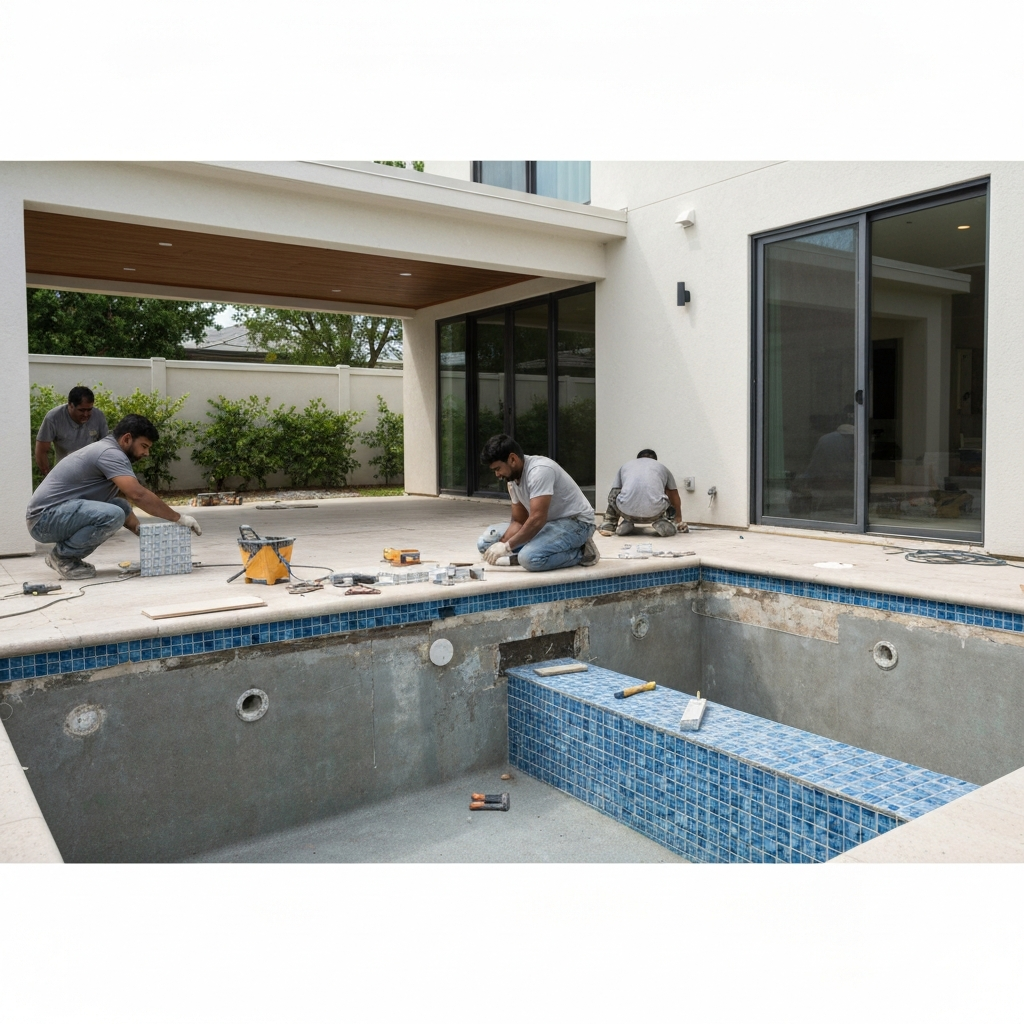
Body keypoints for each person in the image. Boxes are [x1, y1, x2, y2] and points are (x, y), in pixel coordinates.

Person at [26, 413, 202, 580]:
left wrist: (149, 536)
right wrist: (179, 518)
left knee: (120, 507)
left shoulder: (108, 451)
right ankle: (63, 558)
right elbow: (138, 494)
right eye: (144, 446)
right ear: (127, 439)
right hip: (43, 519)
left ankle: (66, 556)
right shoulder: (109, 453)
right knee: (113, 514)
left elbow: (126, 501)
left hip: (53, 515)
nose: (147, 453)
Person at [476, 434, 600, 571]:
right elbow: (519, 521)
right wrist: (500, 545)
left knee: (530, 558)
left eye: (498, 469)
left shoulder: (540, 471)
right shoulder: (512, 480)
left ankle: (582, 552)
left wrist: (507, 547)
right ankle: (537, 549)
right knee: (485, 544)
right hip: (547, 524)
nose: (497, 475)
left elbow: (537, 519)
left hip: (576, 523)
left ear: (512, 459)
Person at [599, 449, 686, 537]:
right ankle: (667, 523)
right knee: (667, 493)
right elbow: (674, 496)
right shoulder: (662, 467)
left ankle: (609, 524)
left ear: (638, 459)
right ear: (655, 460)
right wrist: (678, 520)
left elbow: (615, 491)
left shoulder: (626, 466)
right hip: (656, 513)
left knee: (615, 493)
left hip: (626, 512)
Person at [35, 386, 109, 478]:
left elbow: (106, 447)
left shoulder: (99, 416)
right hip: (64, 473)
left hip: (92, 474)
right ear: (70, 405)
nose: (86, 414)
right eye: (81, 410)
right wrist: (48, 475)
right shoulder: (53, 418)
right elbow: (41, 450)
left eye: (89, 410)